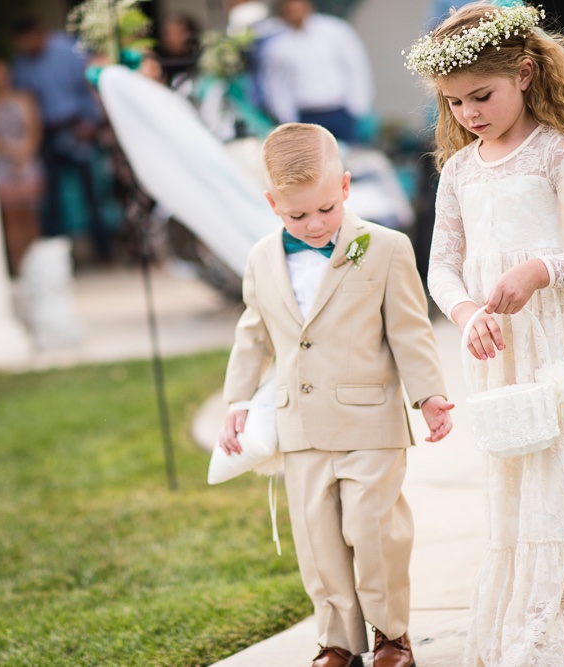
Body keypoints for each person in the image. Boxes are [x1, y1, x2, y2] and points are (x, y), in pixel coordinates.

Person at [406, 3, 564, 665]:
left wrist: (539, 268)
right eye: (453, 103)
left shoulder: (555, 151)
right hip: (499, 346)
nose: (469, 114)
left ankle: (555, 625)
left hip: (560, 343)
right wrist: (466, 314)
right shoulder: (458, 171)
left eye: (481, 96)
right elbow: (441, 267)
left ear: (522, 73)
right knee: (517, 476)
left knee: (563, 473)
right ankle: (524, 611)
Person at [219, 123, 454, 667]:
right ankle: (337, 642)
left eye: (325, 209)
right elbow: (253, 331)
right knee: (318, 539)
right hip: (300, 424)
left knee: (373, 530)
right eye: (296, 215)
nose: (314, 225)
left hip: (370, 420)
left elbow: (409, 330)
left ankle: (391, 634)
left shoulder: (386, 248)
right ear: (272, 203)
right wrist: (236, 401)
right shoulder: (260, 260)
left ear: (345, 187)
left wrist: (429, 396)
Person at [11, 16, 113, 262]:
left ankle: (104, 251)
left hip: (77, 126)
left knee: (92, 192)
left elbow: (87, 85)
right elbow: (25, 100)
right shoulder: (22, 64)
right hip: (47, 132)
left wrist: (90, 122)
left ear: (38, 33)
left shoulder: (68, 50)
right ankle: (59, 258)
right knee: (52, 198)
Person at [258, 0, 373, 143]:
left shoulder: (335, 30)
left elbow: (356, 67)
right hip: (305, 115)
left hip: (339, 111)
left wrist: (358, 107)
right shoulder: (277, 44)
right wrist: (286, 119)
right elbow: (275, 85)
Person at [0, 58, 44, 276]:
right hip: (3, 163)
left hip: (26, 161)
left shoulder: (24, 100)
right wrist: (10, 152)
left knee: (30, 216)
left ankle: (36, 264)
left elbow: (35, 129)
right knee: (11, 218)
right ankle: (18, 265)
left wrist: (23, 152)